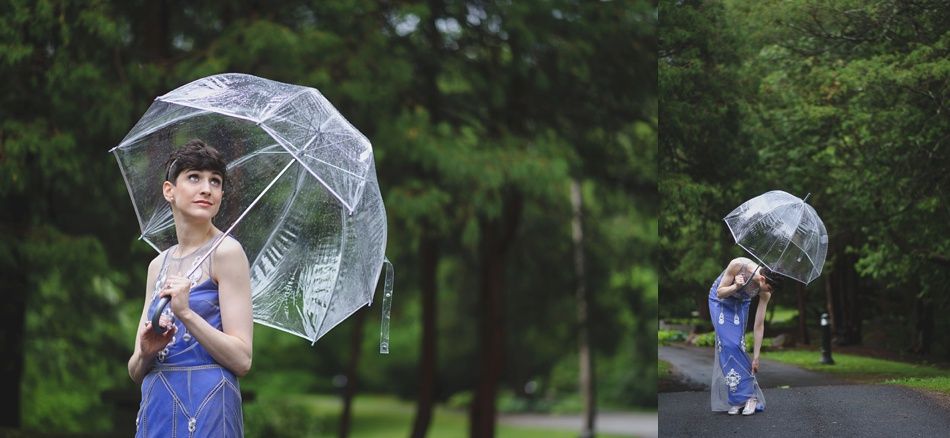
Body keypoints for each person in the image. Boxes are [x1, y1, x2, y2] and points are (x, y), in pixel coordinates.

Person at [127, 139, 253, 437]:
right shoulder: (158, 265)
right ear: (169, 190)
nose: (207, 188)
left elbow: (243, 359)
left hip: (208, 405)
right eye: (194, 177)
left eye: (216, 181)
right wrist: (146, 352)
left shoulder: (227, 253)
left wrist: (186, 314)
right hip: (157, 401)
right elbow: (134, 370)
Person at [707, 256, 782, 416]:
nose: (770, 292)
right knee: (726, 346)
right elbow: (720, 292)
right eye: (769, 288)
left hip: (739, 304)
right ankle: (739, 399)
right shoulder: (738, 265)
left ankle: (749, 397)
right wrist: (736, 286)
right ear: (762, 278)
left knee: (737, 345)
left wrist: (756, 357)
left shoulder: (765, 293)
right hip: (720, 300)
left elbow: (759, 325)